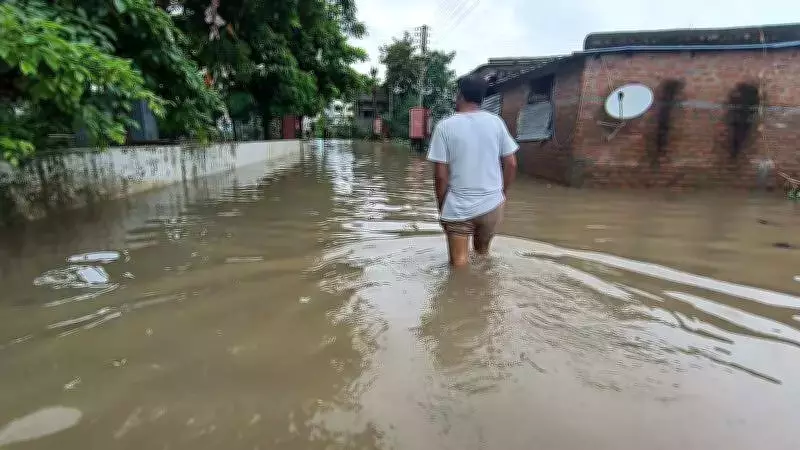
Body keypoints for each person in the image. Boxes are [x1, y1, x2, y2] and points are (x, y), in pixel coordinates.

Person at [427, 75, 519, 267]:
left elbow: (440, 176)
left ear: (460, 95)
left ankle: (461, 287)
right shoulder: (496, 123)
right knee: (482, 257)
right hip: (492, 205)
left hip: (458, 206)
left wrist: (443, 206)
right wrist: (501, 193)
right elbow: (511, 164)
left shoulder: (444, 127)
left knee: (459, 264)